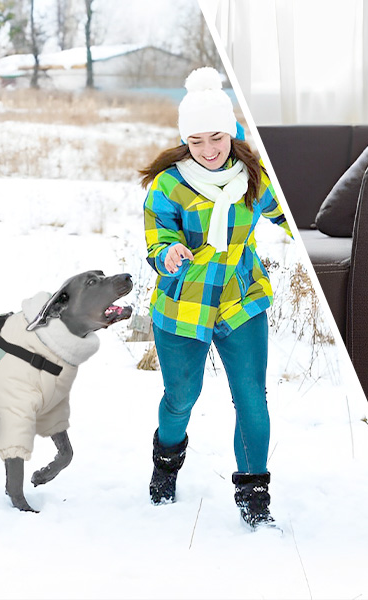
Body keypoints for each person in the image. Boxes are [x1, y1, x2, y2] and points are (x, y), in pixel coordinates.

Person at [139, 67, 292, 530]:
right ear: (186, 140)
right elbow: (156, 239)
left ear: (232, 132)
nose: (209, 151)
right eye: (198, 141)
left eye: (218, 138)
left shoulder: (253, 178)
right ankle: (165, 465)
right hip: (185, 301)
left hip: (240, 299)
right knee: (182, 396)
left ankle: (254, 495)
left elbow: (289, 214)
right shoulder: (169, 184)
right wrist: (168, 254)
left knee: (251, 398)